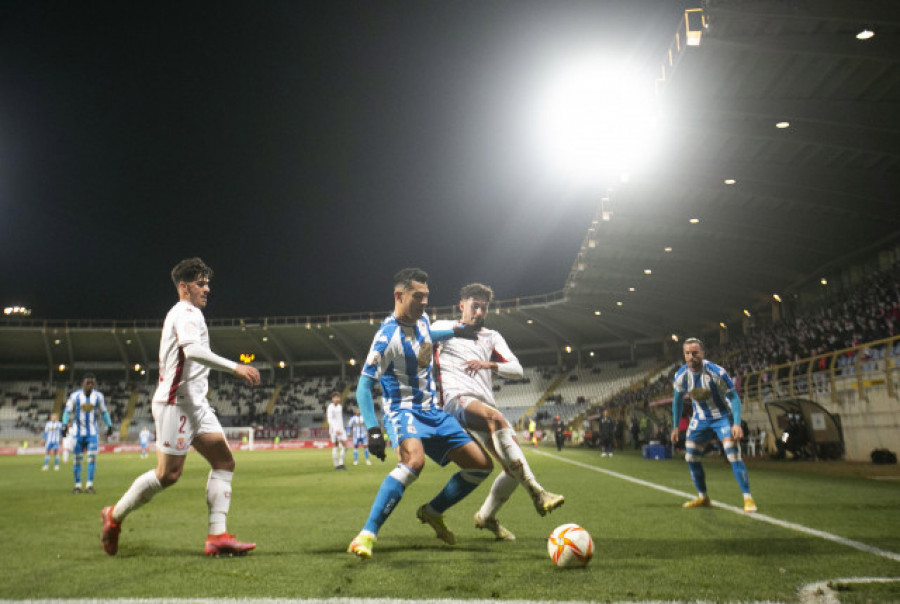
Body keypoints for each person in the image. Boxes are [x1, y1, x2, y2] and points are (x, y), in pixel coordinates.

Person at [100, 257, 261, 557]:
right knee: (168, 475)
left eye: (208, 283)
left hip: (196, 405)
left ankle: (217, 536)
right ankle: (114, 516)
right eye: (201, 284)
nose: (208, 289)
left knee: (225, 462)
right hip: (177, 404)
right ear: (184, 287)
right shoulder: (186, 312)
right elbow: (193, 350)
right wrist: (235, 367)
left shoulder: (190, 313)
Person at [347, 268, 491, 559]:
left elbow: (428, 333)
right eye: (418, 296)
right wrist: (373, 429)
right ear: (399, 296)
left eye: (427, 296)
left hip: (432, 412)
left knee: (481, 466)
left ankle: (433, 511)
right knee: (415, 461)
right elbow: (364, 386)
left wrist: (455, 331)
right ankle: (366, 535)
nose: (425, 302)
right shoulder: (386, 337)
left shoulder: (423, 320)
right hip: (403, 411)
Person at [431, 282, 564, 542]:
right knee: (496, 419)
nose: (479, 312)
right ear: (462, 306)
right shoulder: (442, 328)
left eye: (484, 307)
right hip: (455, 401)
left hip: (482, 404)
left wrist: (489, 364)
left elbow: (517, 369)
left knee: (511, 469)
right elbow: (422, 338)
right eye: (474, 306)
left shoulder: (491, 336)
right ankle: (538, 493)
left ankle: (486, 516)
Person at [670, 338, 757, 513]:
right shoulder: (681, 375)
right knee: (691, 458)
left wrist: (737, 423)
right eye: (687, 353)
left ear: (702, 353)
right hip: (700, 419)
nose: (691, 357)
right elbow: (677, 401)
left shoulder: (717, 372)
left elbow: (733, 398)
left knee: (733, 454)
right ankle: (703, 497)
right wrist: (675, 426)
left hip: (722, 417)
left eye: (695, 353)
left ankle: (748, 498)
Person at [62, 374, 113, 494]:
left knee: (92, 459)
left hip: (92, 434)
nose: (90, 385)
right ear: (82, 384)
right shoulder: (75, 396)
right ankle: (77, 486)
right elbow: (67, 412)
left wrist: (109, 425)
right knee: (77, 460)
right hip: (77, 434)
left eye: (92, 383)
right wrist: (64, 424)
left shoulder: (98, 397)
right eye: (87, 383)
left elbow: (104, 412)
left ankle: (89, 485)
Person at [326, 392, 348, 470]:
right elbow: (329, 419)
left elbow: (339, 419)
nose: (336, 399)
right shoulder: (330, 407)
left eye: (338, 398)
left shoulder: (340, 407)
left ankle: (341, 463)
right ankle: (336, 465)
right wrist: (335, 429)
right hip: (334, 430)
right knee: (335, 445)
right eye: (335, 398)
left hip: (341, 429)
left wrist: (342, 428)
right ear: (332, 399)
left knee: (345, 446)